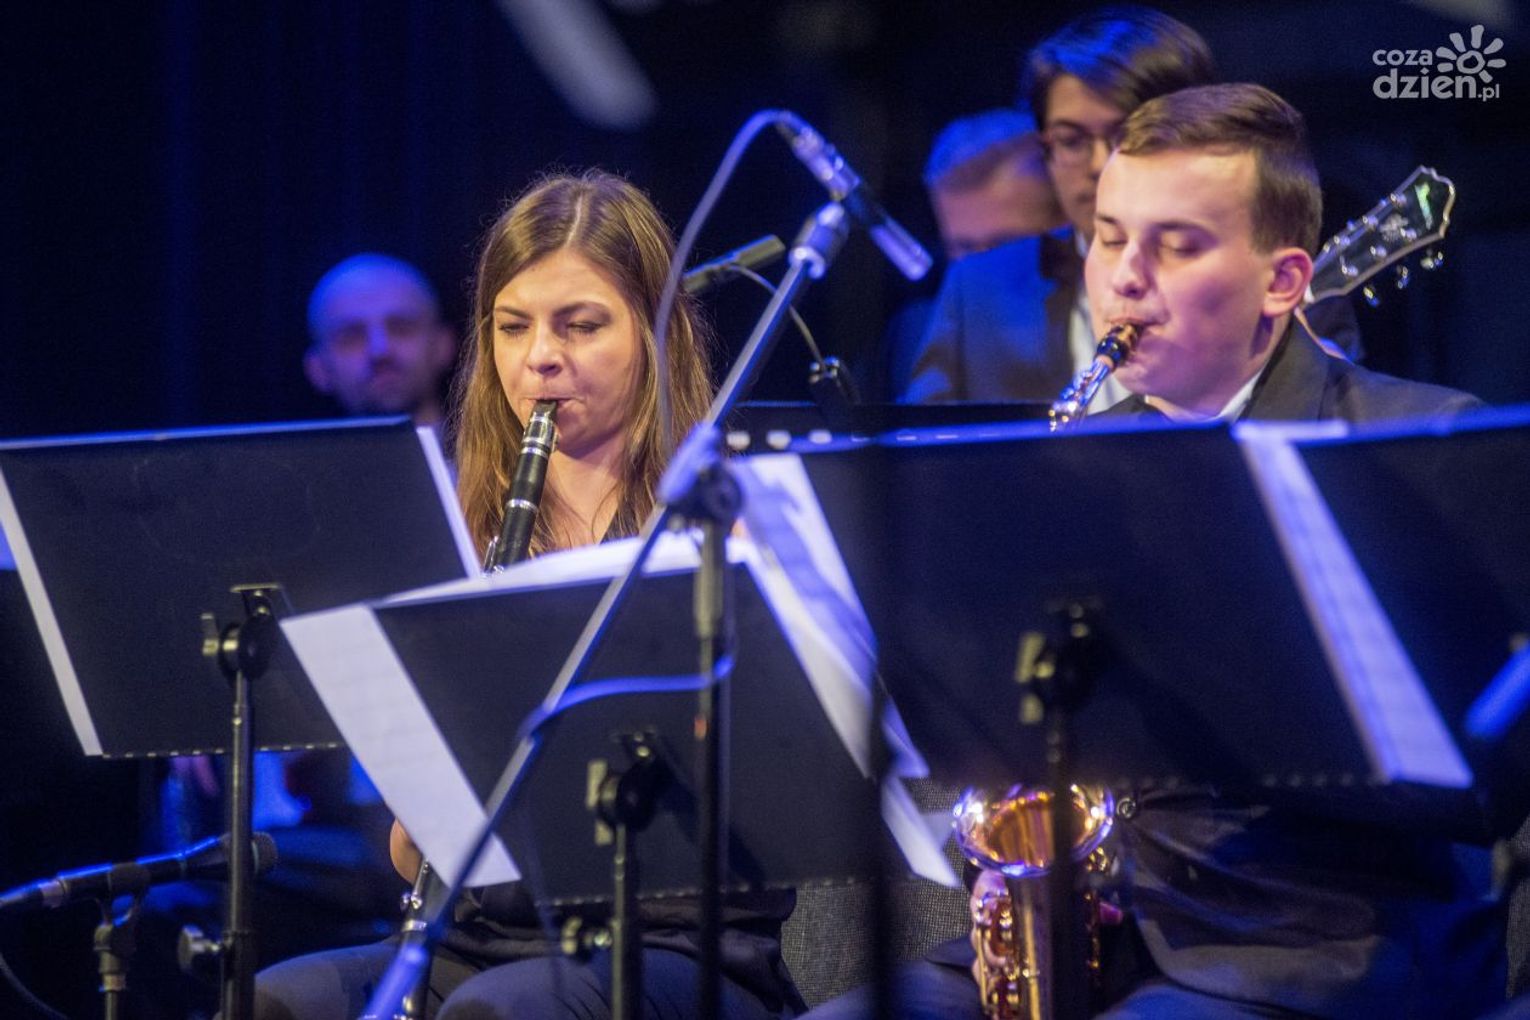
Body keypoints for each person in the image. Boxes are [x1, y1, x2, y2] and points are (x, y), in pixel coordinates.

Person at [803, 82, 1502, 1019]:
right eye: (1108, 236)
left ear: (1284, 281)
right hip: (1084, 924)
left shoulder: (1414, 444)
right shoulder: (1072, 454)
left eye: (1176, 245)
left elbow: (1477, 778)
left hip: (1304, 944)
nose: (1125, 278)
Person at [252, 170, 802, 1020]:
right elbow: (409, 854)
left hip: (676, 944)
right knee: (277, 1000)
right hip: (484, 937)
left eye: (581, 325)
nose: (540, 356)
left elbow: (779, 812)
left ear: (656, 334)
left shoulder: (735, 518)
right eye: (512, 327)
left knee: (501, 1013)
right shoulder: (457, 536)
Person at [901, 8, 1363, 407]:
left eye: (1127, 136)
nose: (1100, 164)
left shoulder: (1270, 274)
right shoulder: (976, 292)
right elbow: (922, 460)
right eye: (1071, 140)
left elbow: (1348, 432)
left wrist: (1306, 366)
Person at [872, 108, 1064, 402]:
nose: (979, 269)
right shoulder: (912, 339)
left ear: (1065, 224)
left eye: (1004, 246)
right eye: (963, 248)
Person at [303, 252, 458, 429]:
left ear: (443, 345)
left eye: (401, 328)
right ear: (318, 369)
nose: (380, 350)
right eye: (352, 337)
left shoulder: (487, 447)